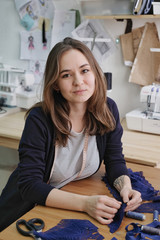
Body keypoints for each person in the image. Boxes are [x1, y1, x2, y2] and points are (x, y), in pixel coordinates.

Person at [0, 37, 142, 231]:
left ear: (94, 73)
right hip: (24, 211)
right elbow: (29, 186)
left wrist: (125, 187)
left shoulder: (108, 109)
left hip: (66, 204)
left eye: (85, 70)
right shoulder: (39, 119)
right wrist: (86, 204)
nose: (78, 81)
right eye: (66, 75)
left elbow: (115, 159)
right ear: (56, 84)